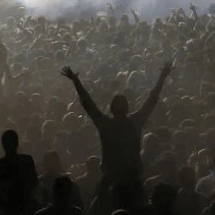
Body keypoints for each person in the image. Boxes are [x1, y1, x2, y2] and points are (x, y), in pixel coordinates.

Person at [60, 62, 173, 197]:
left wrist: (76, 81)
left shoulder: (110, 123)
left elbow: (88, 103)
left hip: (123, 179)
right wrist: (162, 77)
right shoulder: (128, 122)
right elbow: (151, 100)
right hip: (122, 179)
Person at [0, 130, 39, 215]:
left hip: (5, 209)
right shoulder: (27, 161)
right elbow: (34, 183)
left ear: (2, 145)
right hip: (26, 208)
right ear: (17, 143)